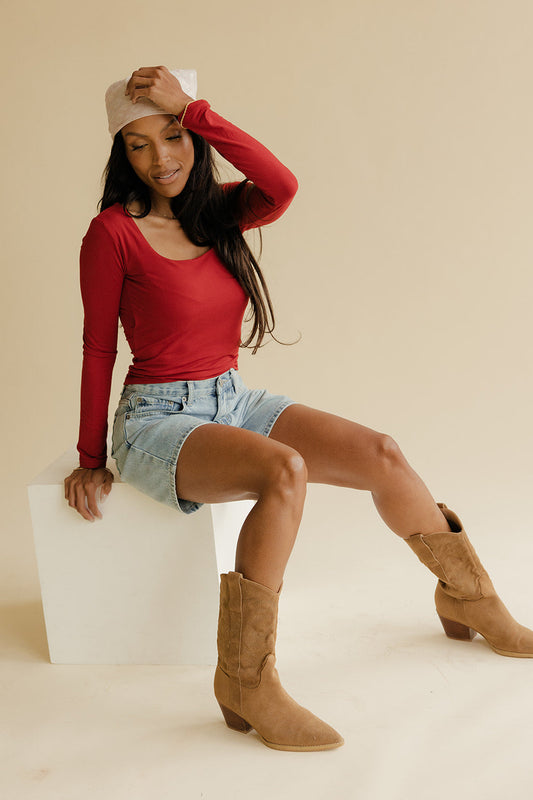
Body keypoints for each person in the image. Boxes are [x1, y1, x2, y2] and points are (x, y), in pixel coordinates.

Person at [64, 65, 533, 752]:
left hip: (232, 397)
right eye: (137, 144)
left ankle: (469, 597)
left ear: (192, 134)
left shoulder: (218, 211)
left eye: (171, 136)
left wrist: (195, 108)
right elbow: (97, 347)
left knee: (382, 452)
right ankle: (246, 680)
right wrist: (87, 458)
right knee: (283, 471)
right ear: (121, 155)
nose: (159, 158)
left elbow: (281, 185)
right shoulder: (112, 233)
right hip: (157, 419)